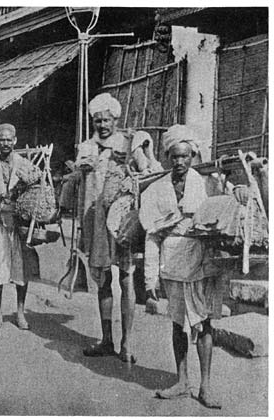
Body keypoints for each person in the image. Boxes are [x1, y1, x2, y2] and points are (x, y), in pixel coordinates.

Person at [142, 125, 229, 409]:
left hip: (200, 259)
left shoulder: (205, 183)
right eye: (175, 157)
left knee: (203, 323)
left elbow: (227, 198)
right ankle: (182, 381)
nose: (180, 162)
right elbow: (152, 235)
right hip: (172, 260)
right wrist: (150, 279)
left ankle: (205, 386)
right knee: (178, 324)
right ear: (167, 157)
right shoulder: (156, 189)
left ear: (192, 156)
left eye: (185, 156)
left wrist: (238, 190)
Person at [0, 124, 40, 329]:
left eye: (9, 139)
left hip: (19, 221)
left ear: (15, 141)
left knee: (20, 269)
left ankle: (20, 313)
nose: (5, 143)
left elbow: (33, 191)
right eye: (1, 139)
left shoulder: (24, 163)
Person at [85, 133, 139, 362]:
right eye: (98, 120)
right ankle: (107, 339)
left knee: (126, 279)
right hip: (99, 222)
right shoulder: (94, 152)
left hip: (124, 222)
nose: (103, 125)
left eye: (107, 120)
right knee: (104, 280)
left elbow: (148, 170)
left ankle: (126, 343)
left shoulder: (131, 145)